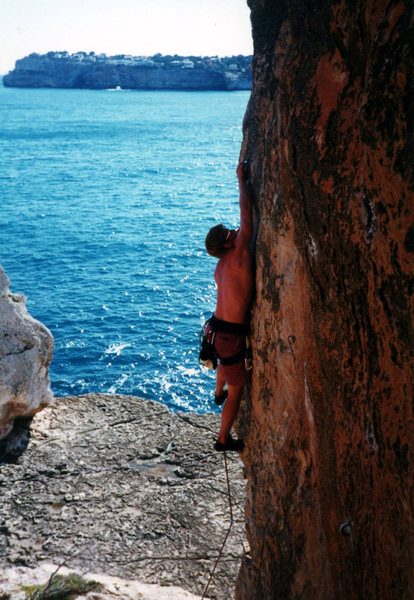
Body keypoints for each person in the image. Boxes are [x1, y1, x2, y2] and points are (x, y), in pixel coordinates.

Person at [204, 162, 254, 452]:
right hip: (229, 336)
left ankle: (217, 391)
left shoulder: (221, 266)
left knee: (224, 362)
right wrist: (241, 178)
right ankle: (223, 439)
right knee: (238, 393)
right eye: (229, 232)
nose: (235, 230)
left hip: (215, 329)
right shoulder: (239, 253)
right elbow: (246, 212)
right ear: (227, 243)